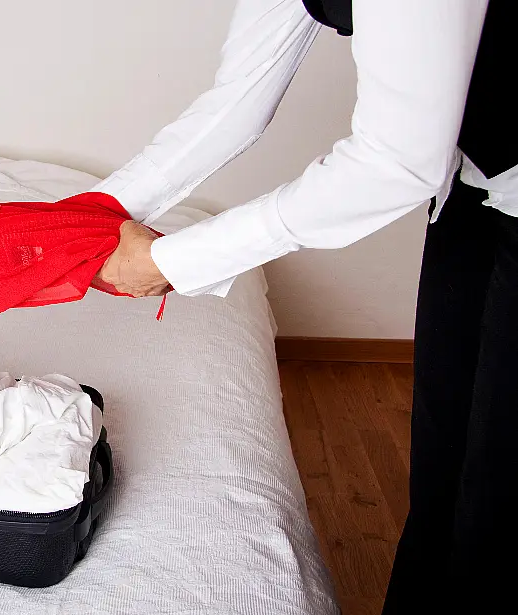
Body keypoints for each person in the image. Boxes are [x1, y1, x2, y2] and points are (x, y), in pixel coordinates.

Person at [91, 0, 515, 612]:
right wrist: (87, 218)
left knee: (498, 499)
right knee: (444, 469)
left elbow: (392, 164)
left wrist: (172, 262)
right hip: (474, 177)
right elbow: (238, 98)